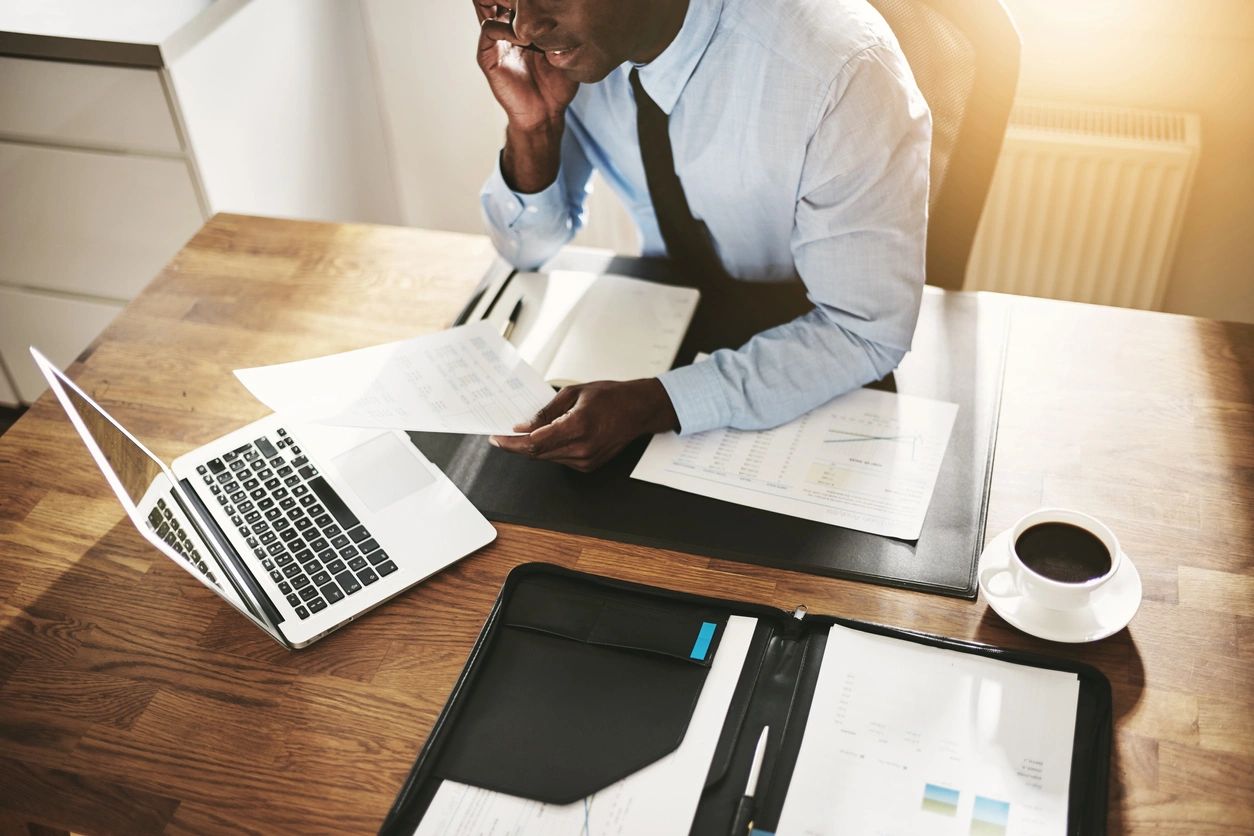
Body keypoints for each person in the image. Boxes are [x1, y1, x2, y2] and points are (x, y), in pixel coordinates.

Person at [474, 0, 930, 471]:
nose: (526, 26)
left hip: (813, 350)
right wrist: (534, 129)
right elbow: (526, 251)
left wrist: (657, 404)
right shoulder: (567, 55)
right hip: (661, 325)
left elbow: (865, 332)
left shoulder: (841, 66)